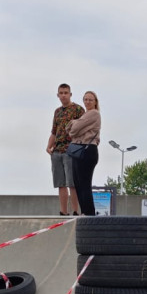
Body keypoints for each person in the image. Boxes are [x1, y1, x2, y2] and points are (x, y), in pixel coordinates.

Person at [46, 83, 84, 216]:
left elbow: (83, 129)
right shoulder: (57, 112)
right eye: (61, 93)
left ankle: (75, 211)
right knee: (60, 183)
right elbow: (54, 132)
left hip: (71, 150)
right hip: (57, 150)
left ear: (70, 94)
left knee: (72, 183)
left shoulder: (78, 109)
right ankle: (63, 211)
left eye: (65, 93)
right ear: (58, 95)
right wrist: (48, 146)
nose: (63, 95)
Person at [67, 91, 101, 216]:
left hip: (87, 150)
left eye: (90, 100)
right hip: (79, 150)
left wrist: (75, 123)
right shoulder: (85, 115)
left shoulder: (94, 114)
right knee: (78, 183)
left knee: (84, 183)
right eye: (85, 99)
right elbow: (68, 129)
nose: (87, 102)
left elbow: (73, 130)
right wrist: (76, 124)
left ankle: (89, 213)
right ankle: (85, 212)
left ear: (95, 102)